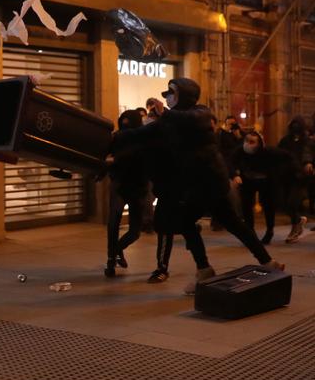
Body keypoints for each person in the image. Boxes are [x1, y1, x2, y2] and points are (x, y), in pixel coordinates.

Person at [115, 78, 284, 296]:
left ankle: (209, 269)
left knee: (206, 222)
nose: (168, 97)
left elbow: (190, 119)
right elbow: (142, 133)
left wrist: (165, 113)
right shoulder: (171, 121)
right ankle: (261, 262)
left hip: (210, 181)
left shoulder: (200, 113)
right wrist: (115, 136)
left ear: (184, 96)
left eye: (172, 93)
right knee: (226, 222)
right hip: (197, 184)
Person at [104, 110, 147, 277]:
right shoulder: (116, 137)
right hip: (119, 184)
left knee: (135, 231)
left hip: (138, 187)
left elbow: (135, 156)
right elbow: (106, 156)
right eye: (123, 122)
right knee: (113, 223)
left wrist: (116, 159)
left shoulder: (143, 139)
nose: (125, 127)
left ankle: (116, 250)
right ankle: (110, 260)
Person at [230, 130, 289, 245]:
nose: (247, 144)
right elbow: (230, 162)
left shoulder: (268, 152)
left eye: (252, 142)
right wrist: (234, 175)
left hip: (266, 181)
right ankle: (250, 233)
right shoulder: (240, 151)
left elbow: (287, 157)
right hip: (247, 181)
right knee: (246, 205)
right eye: (246, 140)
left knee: (268, 206)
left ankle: (269, 231)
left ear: (259, 144)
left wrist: (280, 173)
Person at [276, 115, 311, 242]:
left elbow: (308, 153)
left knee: (292, 203)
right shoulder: (285, 140)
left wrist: (308, 163)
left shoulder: (308, 141)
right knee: (284, 203)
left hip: (300, 177)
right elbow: (278, 154)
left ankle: (295, 227)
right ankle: (297, 223)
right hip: (286, 176)